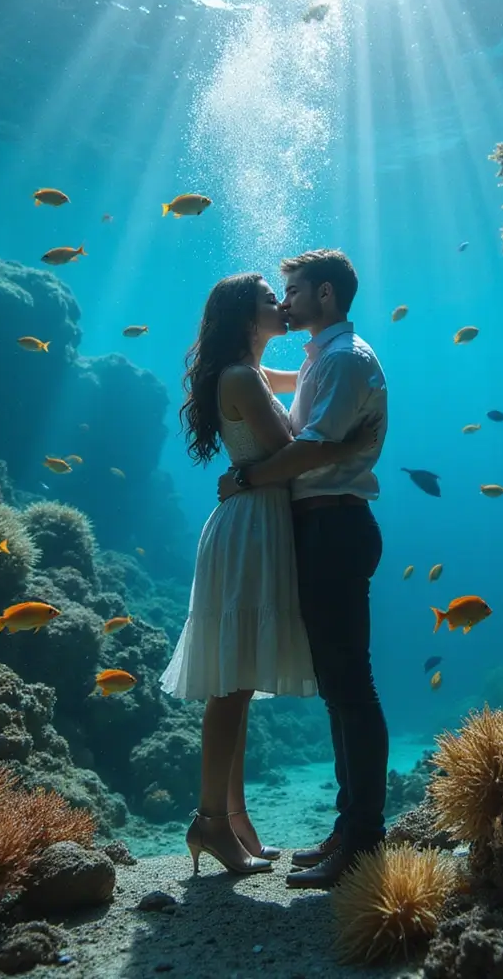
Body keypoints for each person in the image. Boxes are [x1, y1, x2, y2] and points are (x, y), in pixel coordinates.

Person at [160, 271, 375, 879]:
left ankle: (231, 816)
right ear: (243, 316)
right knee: (231, 685)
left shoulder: (251, 374)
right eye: (266, 300)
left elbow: (302, 383)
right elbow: (289, 452)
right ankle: (208, 820)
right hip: (250, 526)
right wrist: (353, 444)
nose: (279, 304)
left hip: (253, 524)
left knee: (240, 679)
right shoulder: (239, 378)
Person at [218, 249, 389, 890]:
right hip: (320, 527)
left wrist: (246, 478)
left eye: (291, 291)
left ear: (324, 294)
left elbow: (312, 448)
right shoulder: (321, 355)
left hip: (337, 526)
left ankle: (365, 839)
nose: (284, 302)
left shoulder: (345, 359)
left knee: (352, 685)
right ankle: (349, 829)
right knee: (339, 685)